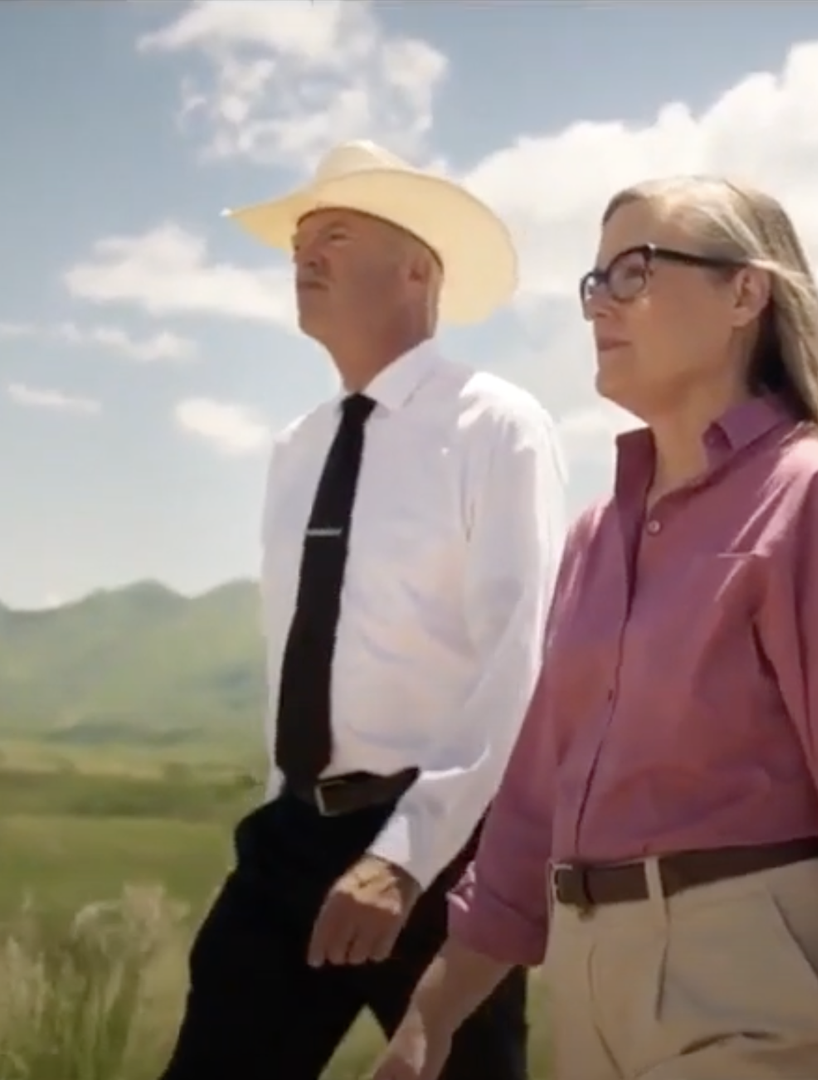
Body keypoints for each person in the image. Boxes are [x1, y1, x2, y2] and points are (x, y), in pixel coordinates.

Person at [366, 175, 818, 1080]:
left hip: (755, 979)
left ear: (744, 293)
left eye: (635, 272)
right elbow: (535, 802)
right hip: (586, 980)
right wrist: (432, 1012)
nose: (600, 304)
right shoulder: (596, 537)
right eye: (595, 281)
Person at [158, 140, 566, 1080]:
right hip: (290, 839)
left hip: (441, 845)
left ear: (418, 267)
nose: (306, 252)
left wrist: (410, 854)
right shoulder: (296, 448)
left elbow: (520, 657)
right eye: (300, 237)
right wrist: (280, 808)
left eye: (335, 233)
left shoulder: (495, 425)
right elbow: (297, 656)